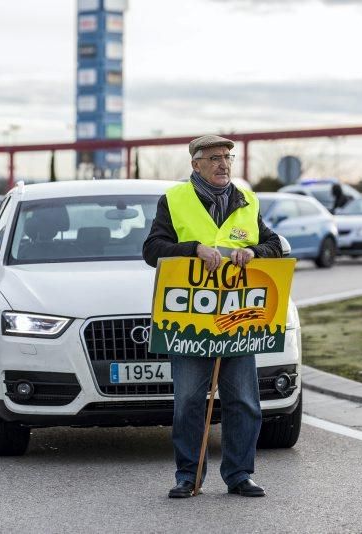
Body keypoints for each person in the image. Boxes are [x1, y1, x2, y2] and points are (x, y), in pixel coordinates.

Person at [142, 135, 283, 499]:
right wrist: (193, 250)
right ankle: (188, 477)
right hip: (192, 322)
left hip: (237, 323)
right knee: (189, 401)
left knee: (244, 402)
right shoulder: (174, 200)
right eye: (215, 158)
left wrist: (253, 252)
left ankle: (239, 475)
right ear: (196, 165)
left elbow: (274, 245)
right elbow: (152, 249)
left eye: (228, 157)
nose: (224, 164)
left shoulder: (247, 201)